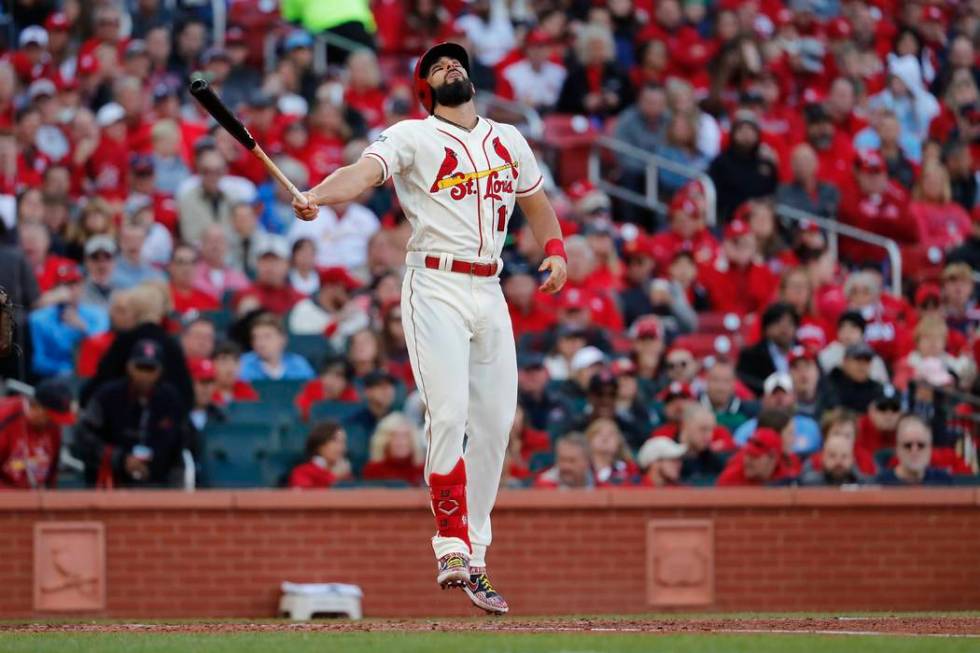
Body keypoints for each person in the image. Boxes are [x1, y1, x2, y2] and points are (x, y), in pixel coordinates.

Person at [292, 42, 567, 614]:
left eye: (456, 62)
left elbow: (536, 203)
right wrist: (318, 193)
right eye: (437, 66)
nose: (451, 68)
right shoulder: (412, 135)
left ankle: (478, 555)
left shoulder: (508, 138)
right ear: (425, 88)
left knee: (495, 425)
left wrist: (557, 250)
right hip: (434, 283)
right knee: (448, 413)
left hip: (490, 288)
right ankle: (450, 545)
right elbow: (364, 173)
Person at [73, 340, 188, 488]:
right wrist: (120, 458)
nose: (144, 375)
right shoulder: (108, 395)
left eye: (150, 368)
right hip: (112, 484)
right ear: (129, 366)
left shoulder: (171, 399)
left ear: (160, 371)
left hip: (158, 486)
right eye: (140, 367)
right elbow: (83, 435)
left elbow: (180, 446)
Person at [29, 261, 110, 377]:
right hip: (54, 379)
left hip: (91, 376)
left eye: (75, 283)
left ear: (82, 285)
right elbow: (38, 362)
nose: (71, 289)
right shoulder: (39, 319)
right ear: (55, 288)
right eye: (65, 284)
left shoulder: (98, 314)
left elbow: (104, 348)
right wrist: (67, 370)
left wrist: (83, 327)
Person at [0, 379, 75, 489]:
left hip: (34, 497)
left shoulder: (53, 428)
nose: (54, 423)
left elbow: (52, 473)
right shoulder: (6, 417)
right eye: (51, 418)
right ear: (37, 408)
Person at [736, 302, 798, 396]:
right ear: (766, 328)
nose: (784, 328)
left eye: (790, 323)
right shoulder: (750, 356)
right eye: (778, 322)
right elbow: (746, 384)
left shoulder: (805, 353)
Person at [876, 415, 953, 486]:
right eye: (908, 445)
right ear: (897, 449)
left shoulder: (943, 482)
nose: (914, 450)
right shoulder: (881, 484)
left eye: (921, 445)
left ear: (930, 448)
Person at [238, 313, 315, 383]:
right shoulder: (242, 365)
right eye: (256, 337)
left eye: (267, 336)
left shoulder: (299, 365)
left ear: (282, 339)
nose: (260, 343)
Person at [361, 412, 425, 486]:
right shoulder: (372, 470)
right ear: (384, 440)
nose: (401, 442)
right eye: (394, 436)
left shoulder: (422, 471)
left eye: (405, 436)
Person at [287, 421, 352, 489]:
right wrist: (333, 477)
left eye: (343, 442)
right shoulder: (301, 472)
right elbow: (308, 496)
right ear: (320, 445)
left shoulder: (344, 473)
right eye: (335, 441)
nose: (341, 447)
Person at [824, 342, 885, 414]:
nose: (862, 365)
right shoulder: (830, 384)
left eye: (867, 360)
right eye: (858, 359)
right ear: (845, 361)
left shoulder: (877, 389)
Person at [716, 427, 789, 487]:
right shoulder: (730, 479)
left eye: (755, 456)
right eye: (747, 454)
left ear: (772, 459)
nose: (748, 460)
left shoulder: (786, 481)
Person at [584, 417, 638, 487]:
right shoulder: (581, 468)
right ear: (589, 440)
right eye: (598, 433)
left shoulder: (629, 469)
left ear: (619, 443)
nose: (605, 437)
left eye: (611, 434)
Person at [799, 433, 870, 486]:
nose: (838, 461)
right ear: (823, 458)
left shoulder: (864, 485)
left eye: (844, 456)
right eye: (832, 456)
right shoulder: (809, 485)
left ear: (852, 459)